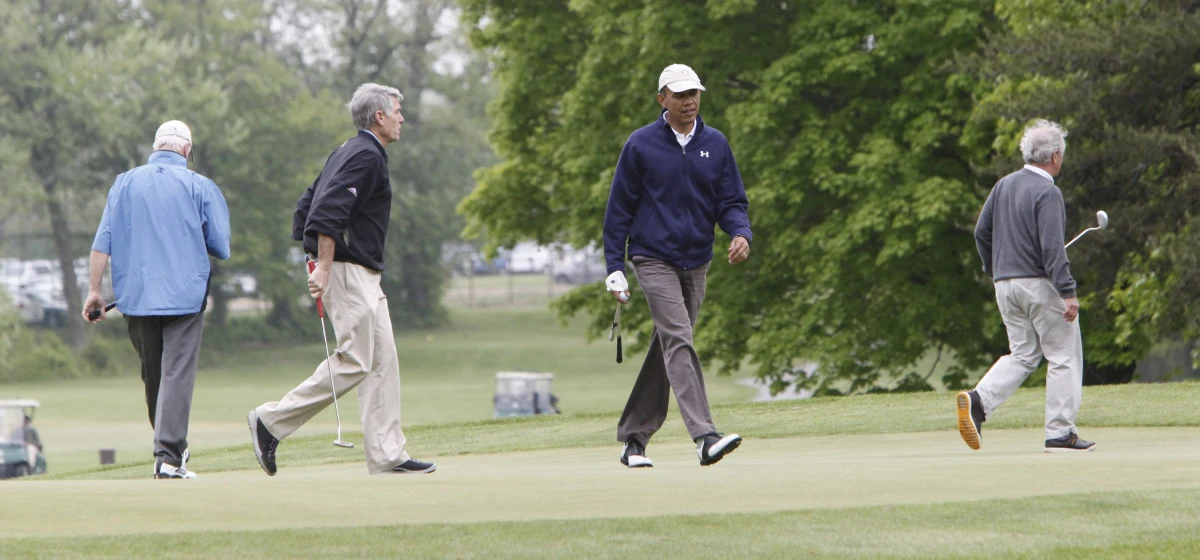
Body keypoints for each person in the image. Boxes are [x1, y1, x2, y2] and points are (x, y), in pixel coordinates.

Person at [247, 83, 436, 476]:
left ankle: (386, 454)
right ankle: (272, 421)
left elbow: (305, 205)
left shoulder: (349, 151)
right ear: (379, 116)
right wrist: (326, 265)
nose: (402, 118)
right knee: (354, 359)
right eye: (397, 111)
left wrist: (314, 256)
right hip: (348, 272)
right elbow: (326, 211)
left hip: (359, 273)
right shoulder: (365, 155)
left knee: (383, 362)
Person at [602, 64, 752, 468]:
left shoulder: (715, 144)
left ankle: (634, 439)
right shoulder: (641, 145)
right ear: (662, 99)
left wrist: (741, 233)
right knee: (679, 338)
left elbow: (732, 202)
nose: (689, 101)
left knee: (668, 345)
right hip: (652, 257)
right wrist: (614, 266)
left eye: (694, 93)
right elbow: (618, 212)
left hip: (697, 260)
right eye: (680, 94)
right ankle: (705, 436)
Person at [84, 120, 231, 479]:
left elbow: (102, 243)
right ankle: (168, 456)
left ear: (156, 147)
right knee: (176, 373)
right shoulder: (200, 186)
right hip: (185, 296)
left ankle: (168, 449)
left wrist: (94, 292)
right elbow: (221, 246)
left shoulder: (123, 183)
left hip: (136, 297)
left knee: (154, 375)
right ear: (186, 151)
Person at [960, 119, 1095, 453]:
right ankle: (1060, 432)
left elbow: (981, 232)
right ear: (1053, 156)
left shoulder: (1004, 185)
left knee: (1023, 353)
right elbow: (1051, 248)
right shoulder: (1047, 191)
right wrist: (1067, 291)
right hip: (1038, 285)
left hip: (1005, 285)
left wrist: (994, 268)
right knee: (1064, 355)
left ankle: (978, 401)